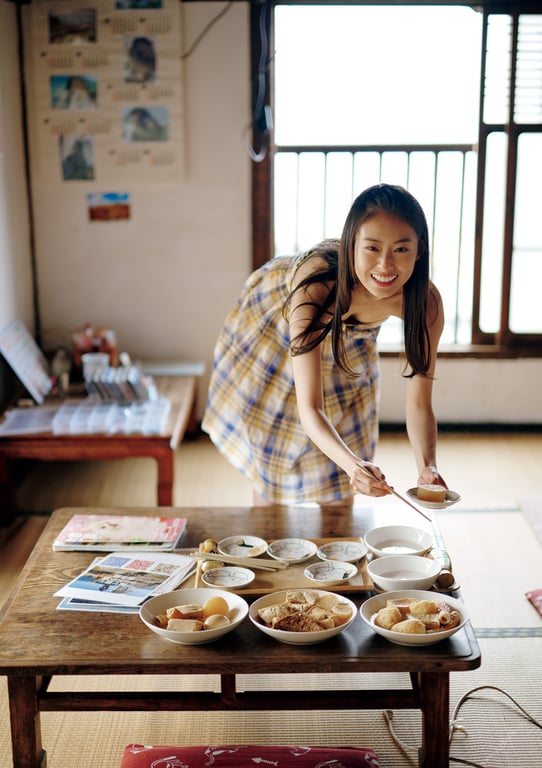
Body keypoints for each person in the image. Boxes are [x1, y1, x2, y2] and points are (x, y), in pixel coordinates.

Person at [202, 183, 447, 505]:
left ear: (420, 249)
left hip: (350, 347)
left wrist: (427, 466)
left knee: (342, 487)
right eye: (371, 248)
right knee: (273, 472)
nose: (385, 266)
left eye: (401, 249)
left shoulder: (425, 304)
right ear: (351, 246)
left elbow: (418, 403)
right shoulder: (316, 285)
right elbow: (310, 407)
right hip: (277, 330)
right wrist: (353, 467)